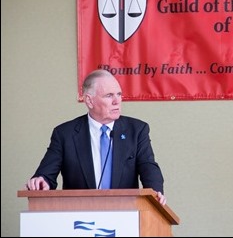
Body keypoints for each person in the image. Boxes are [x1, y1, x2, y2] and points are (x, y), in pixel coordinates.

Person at [25, 69, 166, 205]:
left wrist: (155, 193)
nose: (117, 101)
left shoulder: (136, 130)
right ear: (89, 101)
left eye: (119, 94)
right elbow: (46, 174)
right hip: (79, 217)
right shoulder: (64, 134)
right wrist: (41, 180)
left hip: (124, 214)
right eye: (109, 95)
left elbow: (148, 167)